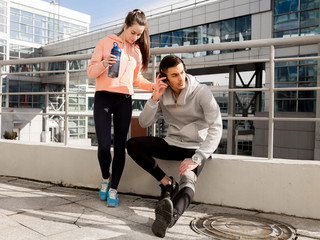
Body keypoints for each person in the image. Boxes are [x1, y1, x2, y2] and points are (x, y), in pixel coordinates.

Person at [126, 55, 223, 237]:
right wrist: (155, 97)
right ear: (164, 77)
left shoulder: (201, 92)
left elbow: (216, 127)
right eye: (175, 75)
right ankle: (167, 183)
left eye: (182, 73)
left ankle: (170, 218)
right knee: (133, 144)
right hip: (173, 142)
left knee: (188, 180)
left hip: (196, 147)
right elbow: (145, 122)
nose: (181, 79)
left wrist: (197, 157)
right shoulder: (162, 93)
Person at [87, 9, 154, 207]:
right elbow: (91, 71)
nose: (136, 37)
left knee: (120, 146)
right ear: (125, 26)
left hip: (124, 100)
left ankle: (114, 188)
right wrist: (104, 64)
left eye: (139, 34)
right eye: (133, 32)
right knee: (104, 146)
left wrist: (153, 86)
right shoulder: (105, 42)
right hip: (103, 99)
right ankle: (105, 178)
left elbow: (136, 79)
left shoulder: (136, 51)